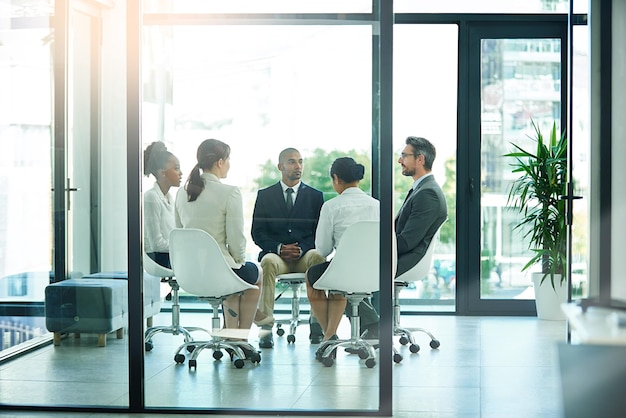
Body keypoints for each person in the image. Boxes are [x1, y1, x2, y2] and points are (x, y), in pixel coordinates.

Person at [174, 139, 262, 349]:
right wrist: (238, 259)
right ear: (220, 162)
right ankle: (239, 338)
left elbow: (179, 233)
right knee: (253, 276)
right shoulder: (229, 192)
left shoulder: (181, 192)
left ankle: (231, 333)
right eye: (229, 159)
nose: (229, 163)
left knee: (233, 280)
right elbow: (235, 238)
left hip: (190, 273)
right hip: (220, 272)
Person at [251, 148, 326, 348]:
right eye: (292, 162)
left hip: (304, 255)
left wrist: (302, 248)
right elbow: (257, 232)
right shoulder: (265, 195)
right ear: (280, 167)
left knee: (318, 256)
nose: (298, 166)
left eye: (300, 161)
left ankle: (316, 322)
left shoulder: (315, 196)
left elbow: (319, 233)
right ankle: (266, 327)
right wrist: (278, 248)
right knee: (267, 261)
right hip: (278, 257)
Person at [305, 157, 380, 346]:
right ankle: (365, 327)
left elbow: (323, 249)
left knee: (314, 277)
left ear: (336, 179)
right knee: (339, 280)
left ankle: (329, 336)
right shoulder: (378, 206)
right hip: (376, 273)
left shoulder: (331, 207)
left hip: (343, 273)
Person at [143, 141, 182, 269]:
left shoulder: (170, 199)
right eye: (176, 168)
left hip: (170, 254)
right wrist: (182, 248)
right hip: (158, 257)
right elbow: (156, 244)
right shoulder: (151, 197)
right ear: (162, 172)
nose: (180, 173)